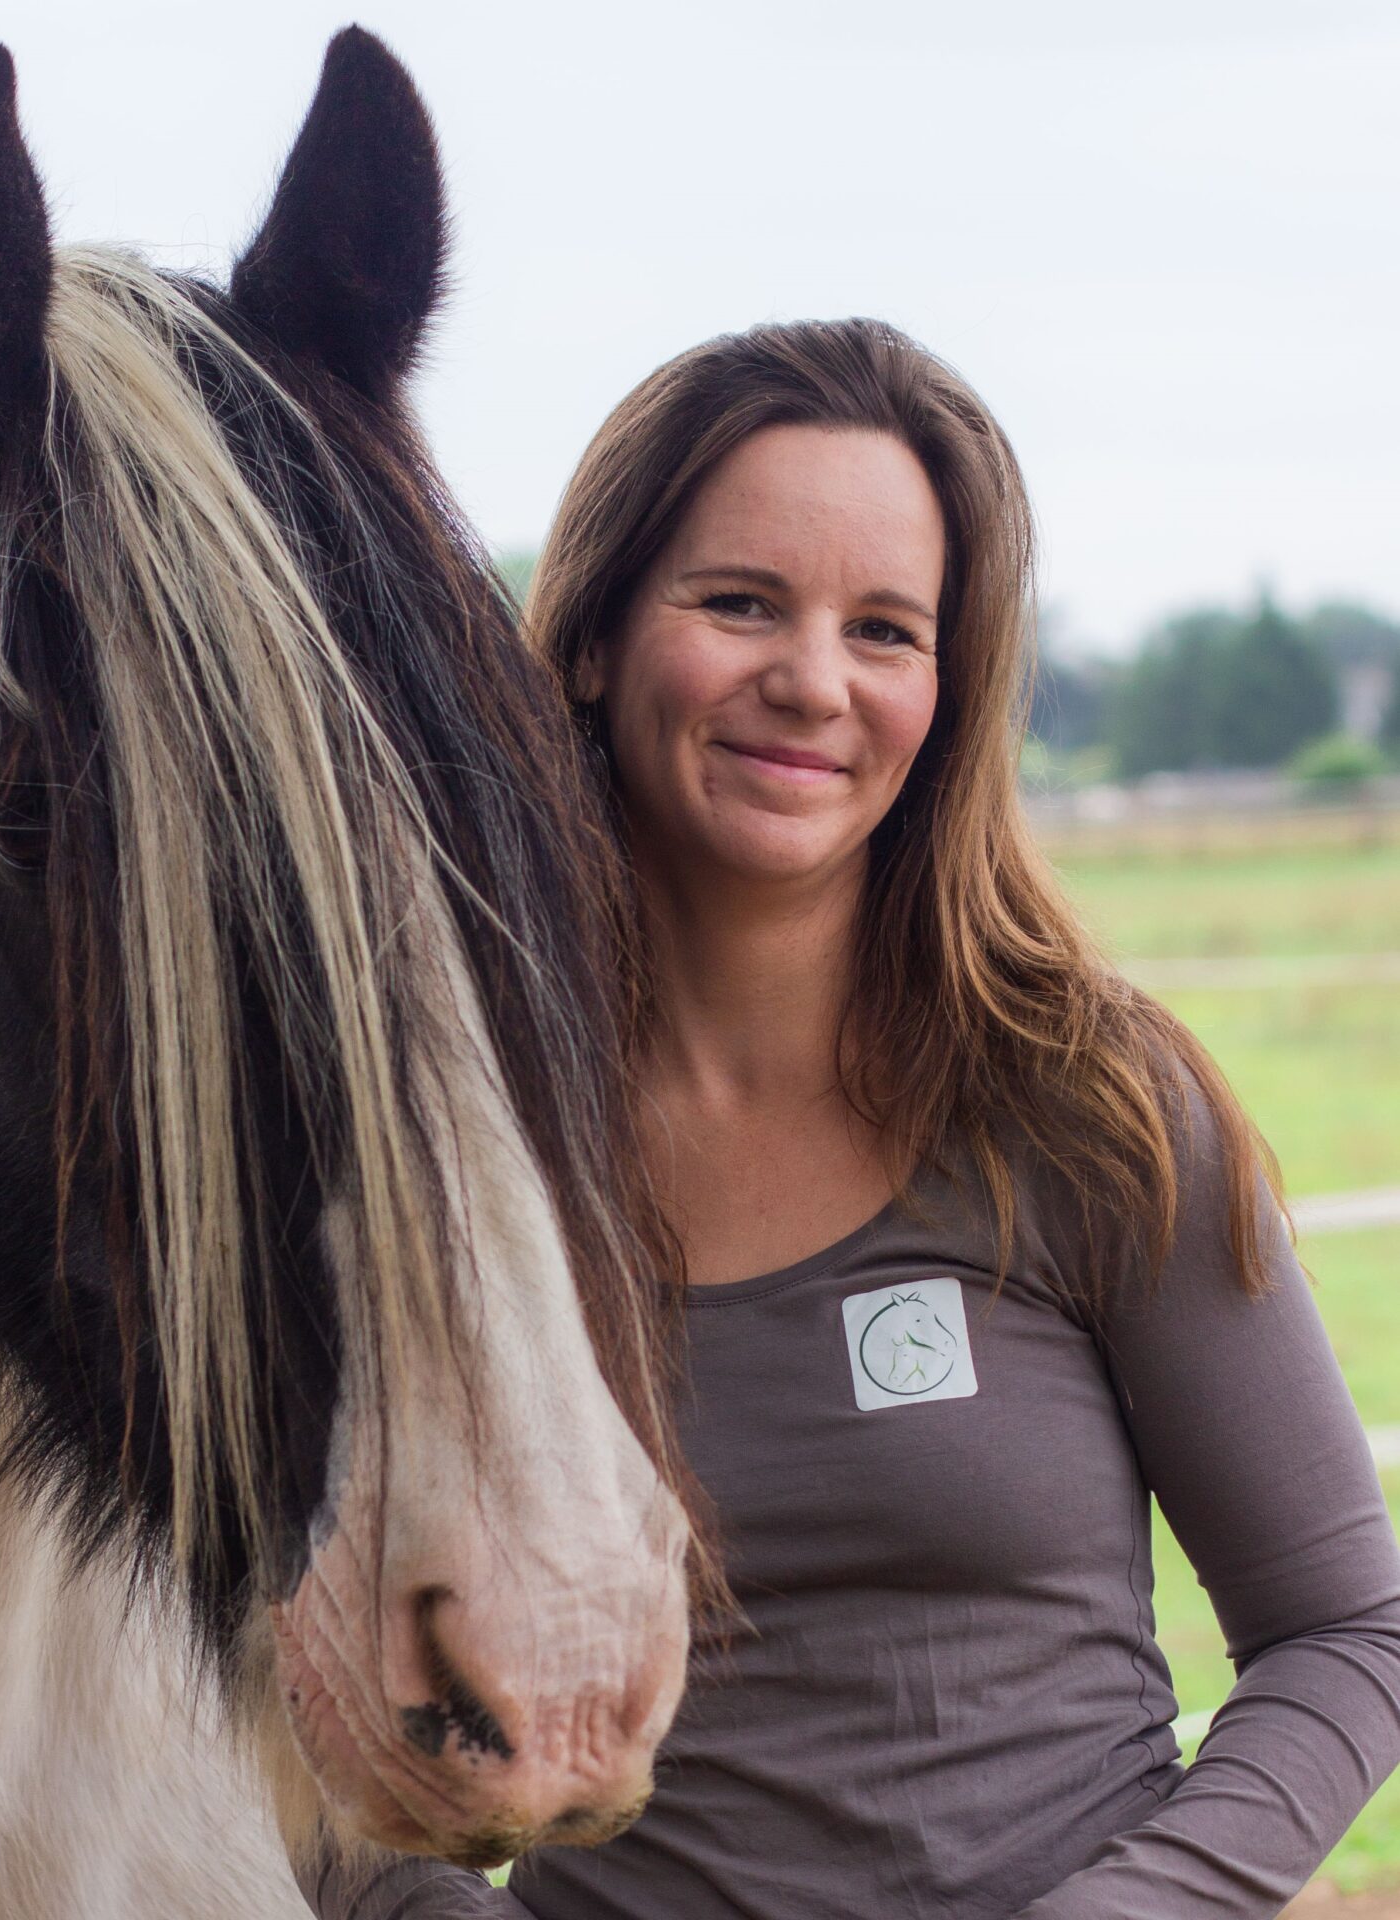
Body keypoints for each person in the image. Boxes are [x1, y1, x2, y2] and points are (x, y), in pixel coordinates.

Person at [294, 319, 1400, 1918]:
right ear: (595, 638)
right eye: (740, 603)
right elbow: (245, 1686)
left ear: (946, 690)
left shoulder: (1090, 1107)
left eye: (884, 629)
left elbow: (1347, 1635)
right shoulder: (439, 1159)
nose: (812, 683)